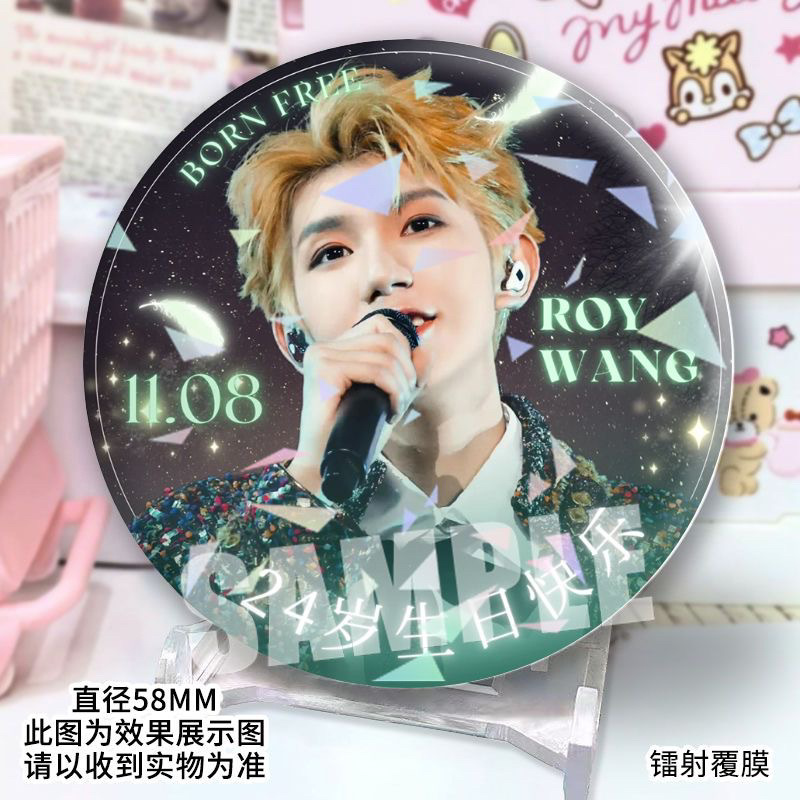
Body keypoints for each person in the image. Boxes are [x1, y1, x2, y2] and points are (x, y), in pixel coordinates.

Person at [130, 67, 695, 671]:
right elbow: (233, 647)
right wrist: (312, 482)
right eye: (332, 252)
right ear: (293, 334)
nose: (381, 274)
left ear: (513, 267)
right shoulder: (184, 538)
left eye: (421, 224)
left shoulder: (648, 534)